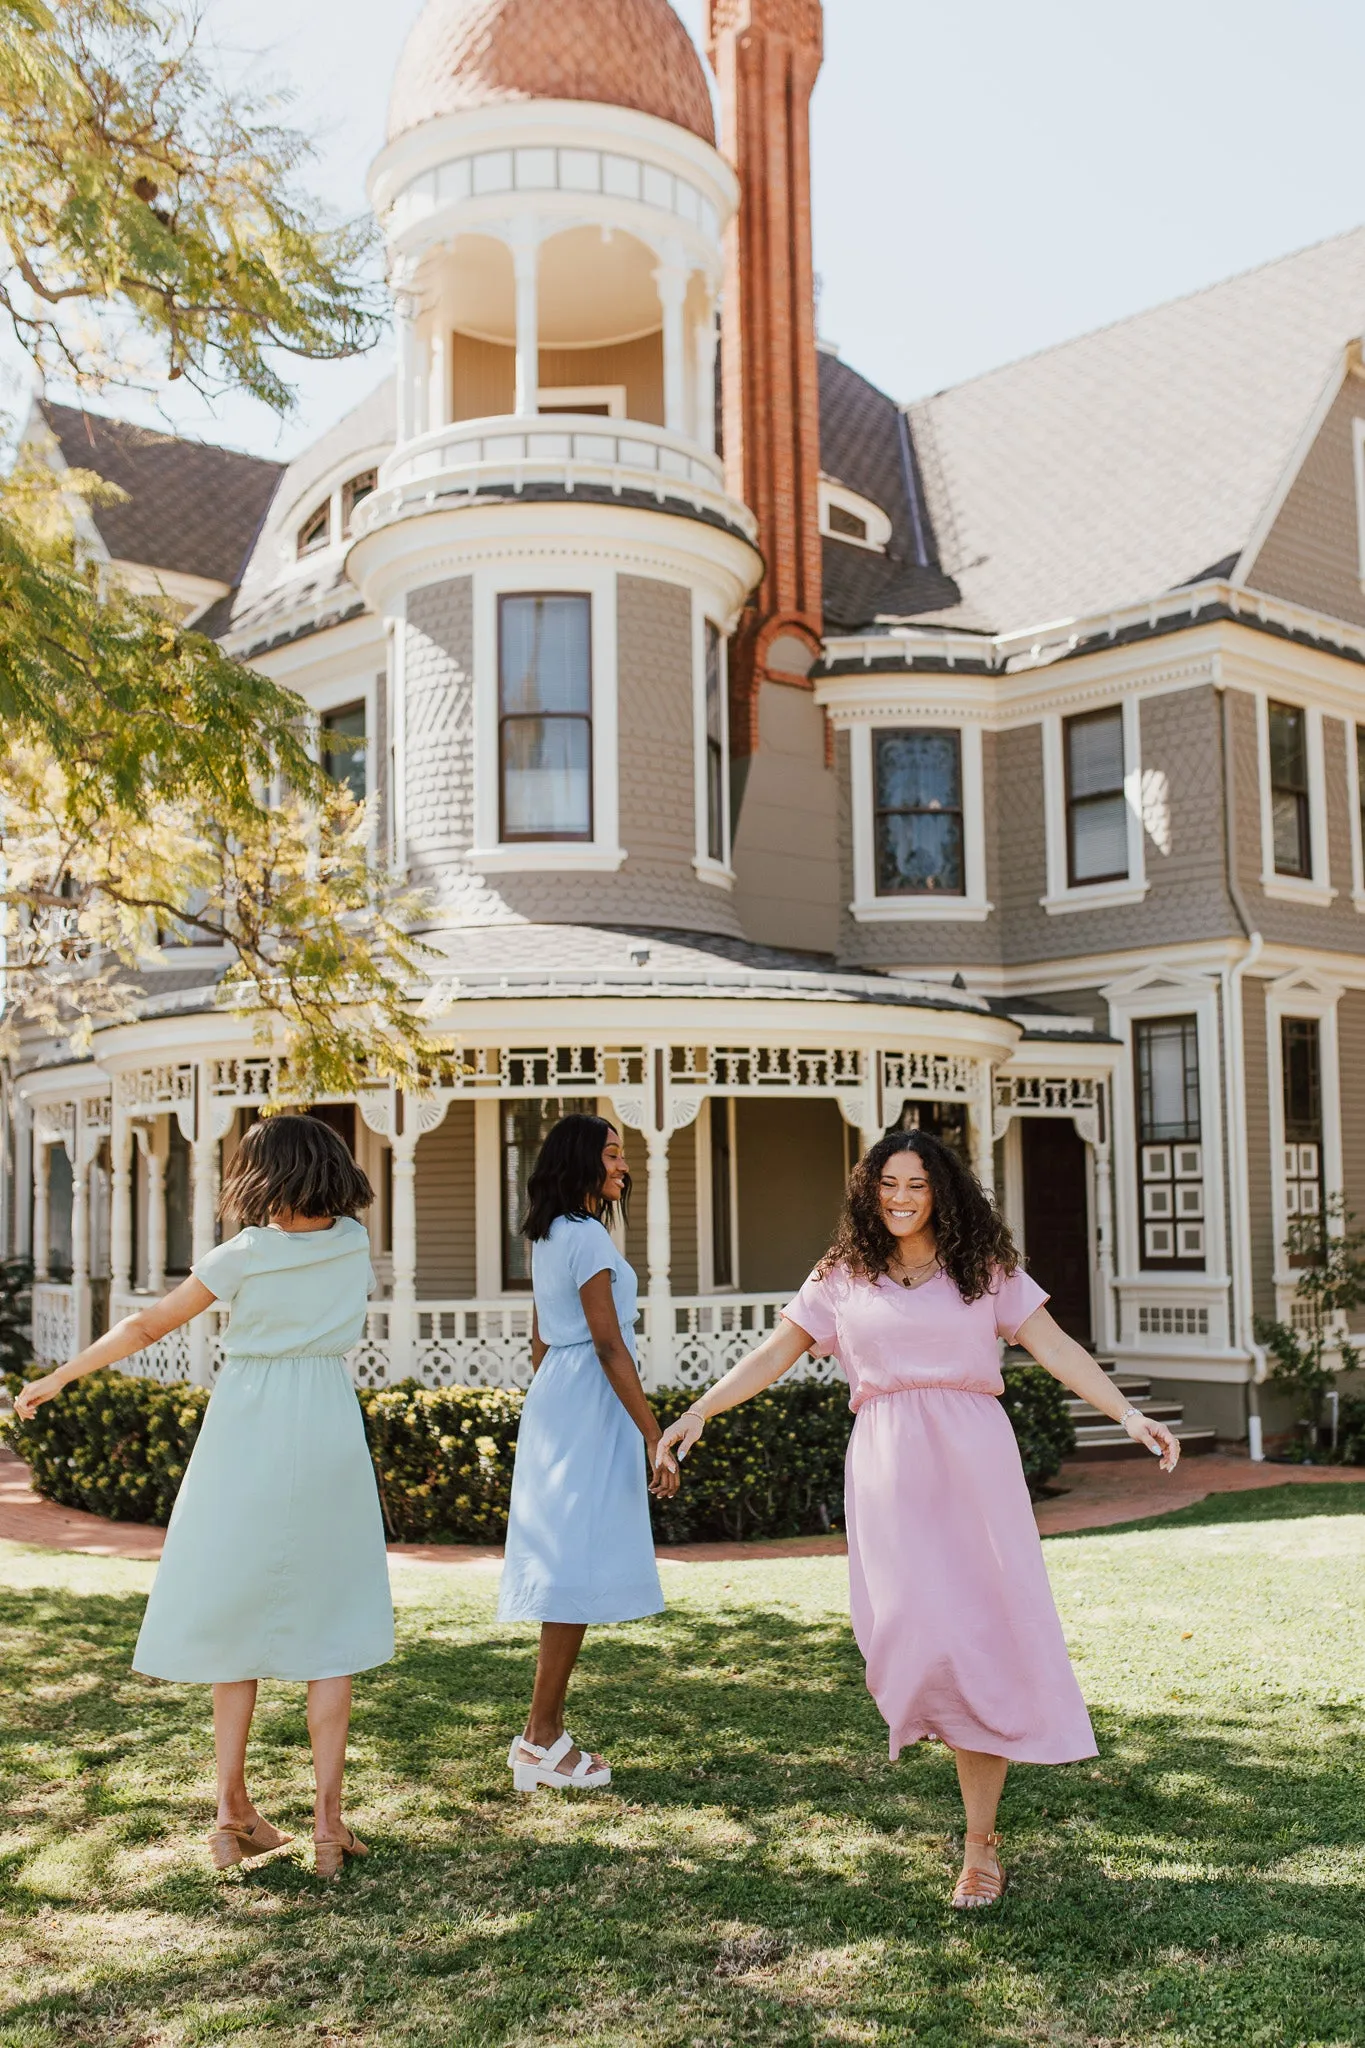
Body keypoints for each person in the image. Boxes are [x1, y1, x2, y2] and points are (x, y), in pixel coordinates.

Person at [654, 1128, 1180, 1910]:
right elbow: (773, 1353)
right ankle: (944, 1741)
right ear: (869, 1191)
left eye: (916, 1185)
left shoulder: (983, 1271)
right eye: (887, 1184)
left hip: (974, 1465)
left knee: (977, 1643)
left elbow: (1055, 1345)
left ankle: (979, 1846)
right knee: (909, 1638)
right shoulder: (841, 1275)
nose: (900, 1198)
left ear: (942, 1192)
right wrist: (701, 1408)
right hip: (889, 1471)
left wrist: (1127, 1414)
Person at [15, 1113, 392, 1880]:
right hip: (324, 1419)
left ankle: (230, 1814)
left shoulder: (242, 1255)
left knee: (236, 1610)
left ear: (264, 1176)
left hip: (247, 1423)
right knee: (334, 1616)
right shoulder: (353, 1243)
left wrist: (58, 1376)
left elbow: (148, 1325)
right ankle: (325, 1823)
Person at [499, 1113, 679, 1792]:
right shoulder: (589, 1240)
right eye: (610, 1155)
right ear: (580, 1161)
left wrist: (552, 1406)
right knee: (570, 1568)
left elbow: (541, 1341)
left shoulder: (547, 1237)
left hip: (558, 1399)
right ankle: (540, 1738)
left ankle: (542, 1734)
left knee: (567, 1564)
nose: (621, 1166)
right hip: (584, 1402)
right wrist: (654, 1435)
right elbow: (607, 1345)